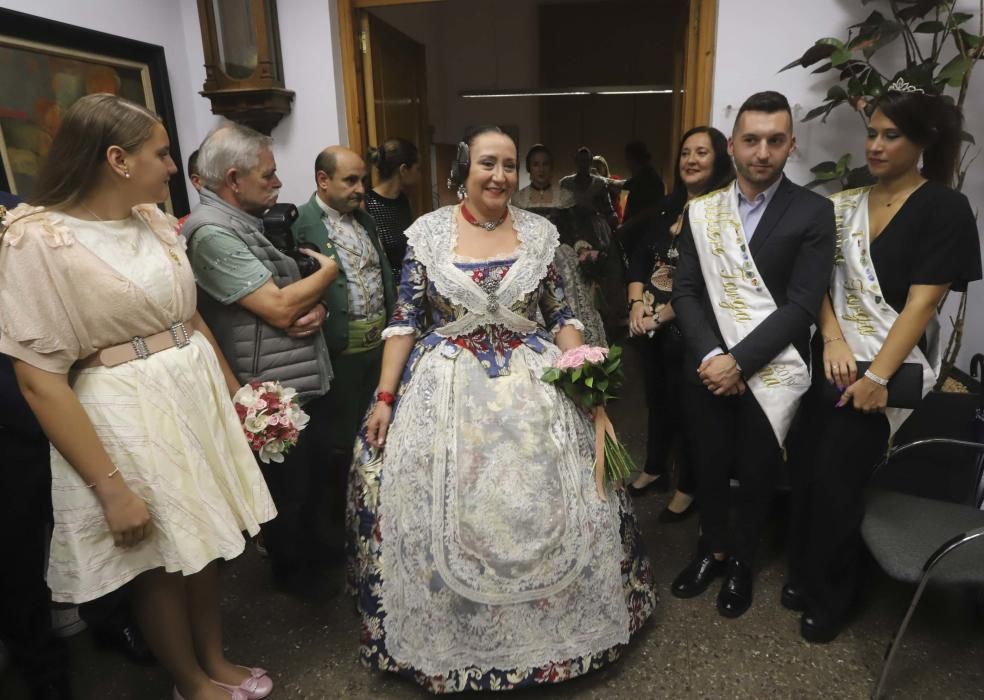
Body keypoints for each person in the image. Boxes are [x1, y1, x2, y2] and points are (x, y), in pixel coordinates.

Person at [348, 126, 655, 693]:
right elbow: (404, 320)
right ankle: (456, 628)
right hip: (447, 386)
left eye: (510, 165)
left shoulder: (540, 232)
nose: (501, 176)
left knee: (552, 499)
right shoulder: (428, 234)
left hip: (534, 382)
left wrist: (589, 391)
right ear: (463, 169)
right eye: (489, 163)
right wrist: (386, 398)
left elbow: (563, 317)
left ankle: (555, 629)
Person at [0, 94, 278, 700]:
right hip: (124, 408)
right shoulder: (35, 238)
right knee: (158, 558)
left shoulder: (153, 219)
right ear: (117, 160)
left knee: (205, 544)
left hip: (191, 392)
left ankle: (215, 658)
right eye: (162, 153)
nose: (174, 166)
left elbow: (192, 318)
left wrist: (238, 399)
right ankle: (189, 681)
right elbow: (37, 377)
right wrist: (111, 488)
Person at [786, 88, 982, 643]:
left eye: (890, 135)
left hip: (881, 370)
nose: (874, 145)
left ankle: (833, 596)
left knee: (838, 481)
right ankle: (801, 574)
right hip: (828, 358)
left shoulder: (942, 206)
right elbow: (816, 280)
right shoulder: (844, 202)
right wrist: (830, 338)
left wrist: (875, 378)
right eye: (871, 132)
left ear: (922, 142)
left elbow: (923, 304)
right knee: (803, 463)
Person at [670, 91, 835, 619]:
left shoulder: (813, 210)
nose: (761, 152)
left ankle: (742, 562)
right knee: (710, 462)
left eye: (774, 140)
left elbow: (803, 304)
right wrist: (715, 356)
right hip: (706, 363)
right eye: (751, 140)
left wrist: (739, 361)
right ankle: (712, 548)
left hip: (773, 370)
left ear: (791, 145)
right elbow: (686, 292)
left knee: (761, 470)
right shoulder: (703, 212)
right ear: (732, 147)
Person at [183, 122, 339, 592]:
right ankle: (297, 582)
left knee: (314, 484)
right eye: (268, 174)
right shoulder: (211, 233)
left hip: (295, 374)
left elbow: (289, 292)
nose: (277, 182)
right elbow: (277, 305)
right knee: (289, 496)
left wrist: (319, 307)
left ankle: (319, 564)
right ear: (233, 179)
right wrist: (329, 274)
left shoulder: (247, 223)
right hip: (269, 386)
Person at [627, 127, 736, 526]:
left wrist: (660, 315)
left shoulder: (725, 214)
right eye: (686, 152)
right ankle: (655, 467)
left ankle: (687, 486)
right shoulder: (666, 207)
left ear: (720, 159)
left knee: (693, 411)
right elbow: (640, 258)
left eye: (702, 153)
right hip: (650, 328)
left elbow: (707, 282)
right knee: (658, 403)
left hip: (691, 328)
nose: (691, 159)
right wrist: (637, 304)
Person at [292, 146, 396, 545]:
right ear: (323, 180)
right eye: (350, 180)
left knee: (374, 441)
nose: (361, 189)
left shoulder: (366, 221)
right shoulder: (301, 224)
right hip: (337, 356)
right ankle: (336, 540)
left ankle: (372, 528)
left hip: (377, 352)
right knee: (335, 450)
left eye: (362, 180)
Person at [0, 191, 73, 700]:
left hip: (42, 401)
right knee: (15, 562)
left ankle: (113, 621)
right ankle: (42, 672)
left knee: (76, 524)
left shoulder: (17, 213)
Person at [512, 144, 605, 346]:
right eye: (536, 164)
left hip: (559, 257)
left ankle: (572, 349)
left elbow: (573, 230)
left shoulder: (564, 196)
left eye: (545, 164)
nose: (541, 169)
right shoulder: (518, 199)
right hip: (528, 259)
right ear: (529, 168)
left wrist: (581, 248)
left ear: (551, 167)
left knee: (568, 305)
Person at [560, 146, 626, 333]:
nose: (583, 164)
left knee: (602, 268)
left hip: (596, 228)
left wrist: (615, 224)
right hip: (572, 227)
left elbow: (608, 208)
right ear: (576, 162)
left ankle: (604, 312)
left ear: (590, 162)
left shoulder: (598, 183)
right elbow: (561, 207)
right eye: (580, 160)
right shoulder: (566, 183)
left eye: (586, 160)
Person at [364, 138, 419, 281]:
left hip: (408, 285)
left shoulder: (404, 201)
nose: (419, 175)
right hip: (385, 291)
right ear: (403, 170)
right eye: (417, 169)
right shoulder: (366, 204)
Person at [619, 140, 666, 259]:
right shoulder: (656, 180)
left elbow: (623, 209)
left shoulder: (633, 184)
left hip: (639, 235)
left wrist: (625, 225)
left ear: (631, 159)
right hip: (650, 233)